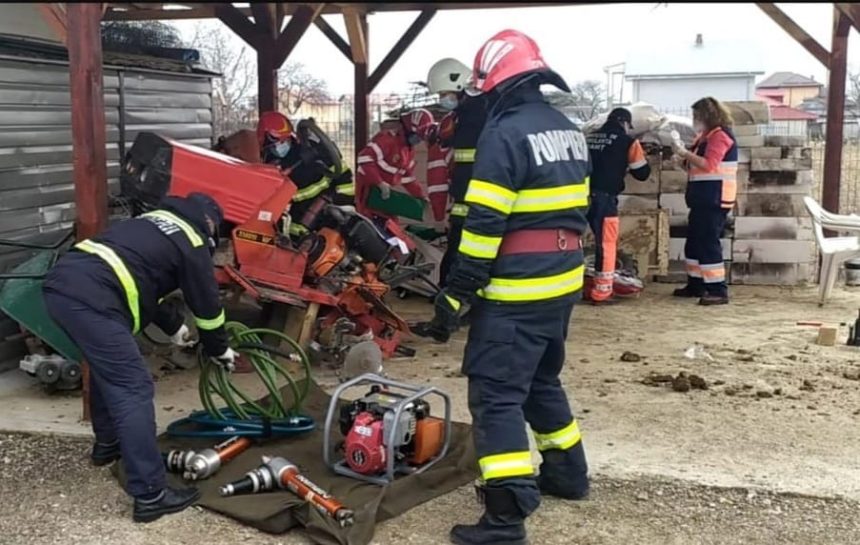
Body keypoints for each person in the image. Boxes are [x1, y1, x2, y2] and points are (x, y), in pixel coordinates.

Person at [425, 29, 591, 545]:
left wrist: (456, 294)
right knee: (541, 379)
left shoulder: (504, 134)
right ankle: (568, 474)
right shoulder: (567, 127)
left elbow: (483, 227)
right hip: (561, 281)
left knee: (495, 396)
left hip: (516, 289)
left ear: (495, 84)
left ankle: (505, 515)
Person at [42, 193, 237, 523]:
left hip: (63, 286)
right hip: (94, 298)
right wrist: (220, 349)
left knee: (109, 369)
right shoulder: (192, 240)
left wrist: (174, 327)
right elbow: (208, 308)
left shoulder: (152, 223)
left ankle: (109, 445)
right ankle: (150, 494)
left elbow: (141, 280)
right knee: (133, 386)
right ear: (210, 224)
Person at [425, 58, 489, 289]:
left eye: (445, 93)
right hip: (465, 192)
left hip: (478, 192)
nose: (443, 99)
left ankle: (452, 295)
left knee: (466, 251)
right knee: (456, 248)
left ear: (459, 85)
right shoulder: (465, 113)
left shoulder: (480, 111)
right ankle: (448, 295)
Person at [671, 97, 737, 306]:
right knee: (694, 243)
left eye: (697, 115)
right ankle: (696, 284)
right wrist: (682, 162)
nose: (694, 120)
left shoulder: (720, 136)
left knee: (708, 244)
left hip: (715, 198)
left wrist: (684, 153)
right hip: (703, 198)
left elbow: (709, 165)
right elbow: (698, 168)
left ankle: (717, 289)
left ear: (707, 115)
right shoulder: (704, 137)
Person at [584, 107, 651, 305]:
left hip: (579, 196)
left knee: (573, 241)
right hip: (605, 198)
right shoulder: (628, 142)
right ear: (624, 124)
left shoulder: (588, 138)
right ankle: (602, 292)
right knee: (605, 243)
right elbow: (642, 173)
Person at [258, 111, 354, 238]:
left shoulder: (309, 148)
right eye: (274, 145)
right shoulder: (270, 160)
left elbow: (335, 174)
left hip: (335, 195)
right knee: (293, 233)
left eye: (284, 141)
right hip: (302, 206)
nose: (279, 147)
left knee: (305, 228)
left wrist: (289, 197)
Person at [354, 108, 435, 223]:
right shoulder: (386, 140)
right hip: (369, 193)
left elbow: (408, 178)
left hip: (384, 196)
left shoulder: (408, 150)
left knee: (390, 226)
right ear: (406, 129)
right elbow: (365, 159)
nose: (418, 140)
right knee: (370, 228)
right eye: (417, 136)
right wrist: (379, 183)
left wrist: (421, 197)